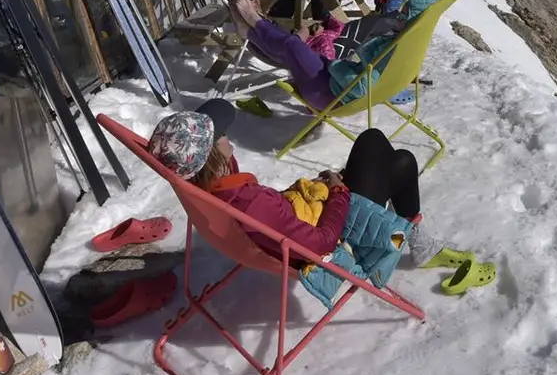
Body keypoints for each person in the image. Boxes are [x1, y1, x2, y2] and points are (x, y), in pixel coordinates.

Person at [148, 99, 420, 264]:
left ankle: (399, 216)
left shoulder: (212, 188)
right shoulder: (251, 204)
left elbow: (275, 215)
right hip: (341, 238)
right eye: (221, 135)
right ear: (211, 158)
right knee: (403, 161)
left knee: (372, 141)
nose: (227, 136)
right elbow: (322, 243)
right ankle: (415, 239)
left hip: (312, 215)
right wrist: (338, 192)